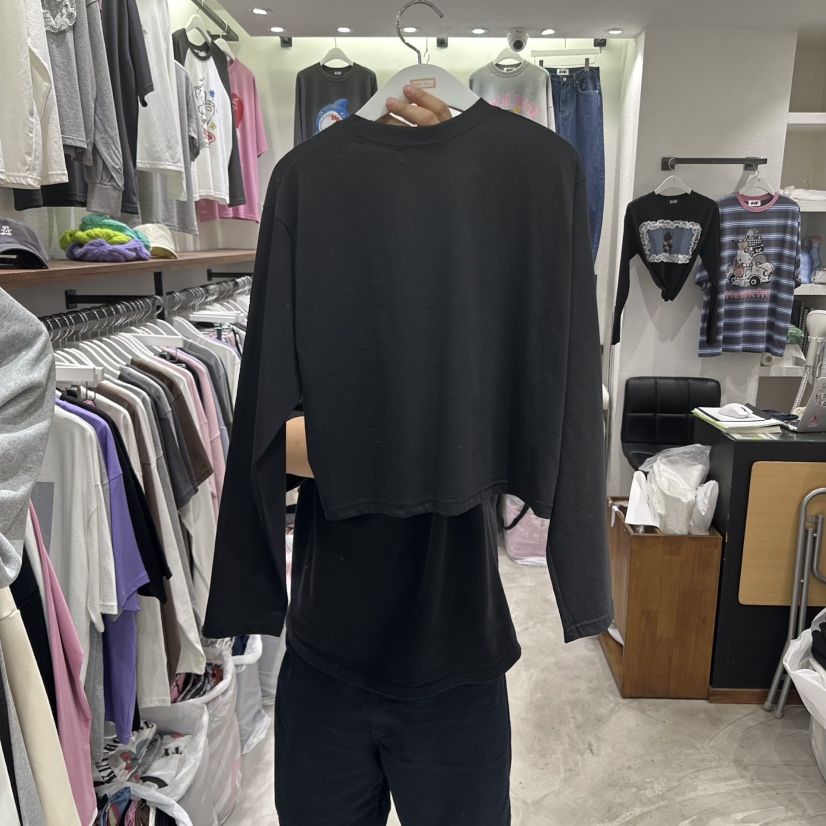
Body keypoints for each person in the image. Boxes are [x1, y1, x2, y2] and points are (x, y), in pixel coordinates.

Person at [276, 87, 518, 826]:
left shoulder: (480, 287)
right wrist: (430, 435)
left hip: (458, 656)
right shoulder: (320, 274)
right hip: (328, 654)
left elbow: (514, 426)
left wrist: (370, 438)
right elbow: (275, 441)